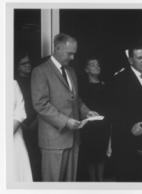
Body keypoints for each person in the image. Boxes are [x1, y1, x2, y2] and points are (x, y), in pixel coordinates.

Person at [31, 33, 99, 181]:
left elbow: (76, 99)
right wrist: (66, 121)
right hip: (53, 141)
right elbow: (40, 104)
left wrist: (87, 112)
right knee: (53, 186)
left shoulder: (71, 71)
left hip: (73, 139)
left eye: (74, 54)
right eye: (70, 54)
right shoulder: (40, 72)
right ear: (57, 48)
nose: (73, 58)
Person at [110, 43, 142, 181]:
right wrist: (129, 127)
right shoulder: (119, 79)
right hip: (129, 140)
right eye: (140, 58)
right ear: (131, 60)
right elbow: (113, 111)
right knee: (131, 178)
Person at [77, 57, 110, 181]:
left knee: (101, 153)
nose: (97, 66)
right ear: (86, 69)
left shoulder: (104, 85)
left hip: (103, 125)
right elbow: (79, 105)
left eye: (98, 64)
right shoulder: (82, 87)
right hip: (88, 126)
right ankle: (92, 181)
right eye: (92, 65)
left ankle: (100, 180)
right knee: (90, 154)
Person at [15, 51, 41, 181]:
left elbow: (41, 103)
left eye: (29, 63)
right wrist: (23, 124)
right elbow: (16, 108)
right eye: (24, 63)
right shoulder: (14, 83)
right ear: (17, 66)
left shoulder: (35, 80)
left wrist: (36, 121)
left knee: (36, 159)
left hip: (37, 124)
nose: (28, 65)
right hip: (21, 126)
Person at [12, 80, 33, 182]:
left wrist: (7, 133)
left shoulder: (12, 84)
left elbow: (20, 111)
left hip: (13, 138)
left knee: (17, 172)